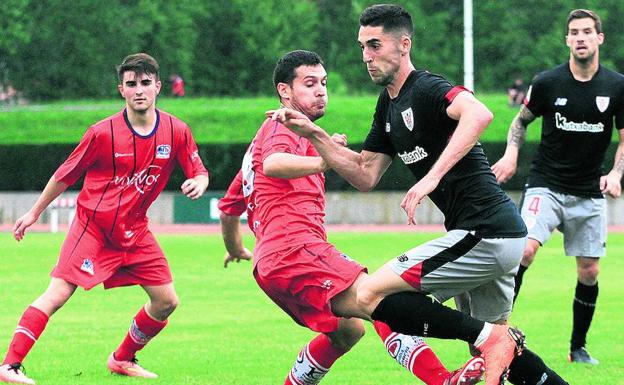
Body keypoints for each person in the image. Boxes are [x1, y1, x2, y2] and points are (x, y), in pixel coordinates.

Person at [271, 5, 569, 385]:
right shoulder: (388, 105)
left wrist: (431, 178)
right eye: (363, 46)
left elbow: (479, 114)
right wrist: (315, 135)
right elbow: (365, 174)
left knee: (371, 294)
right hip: (492, 237)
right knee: (494, 352)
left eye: (375, 45)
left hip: (486, 233)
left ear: (403, 44)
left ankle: (483, 344)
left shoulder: (426, 87)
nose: (367, 56)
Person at [219, 49, 486, 385]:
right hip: (294, 250)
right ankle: (441, 380)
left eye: (324, 83)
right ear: (285, 92)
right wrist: (321, 161)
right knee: (380, 300)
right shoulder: (282, 123)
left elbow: (229, 208)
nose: (320, 90)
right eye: (309, 83)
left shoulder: (265, 145)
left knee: (348, 331)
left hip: (273, 263)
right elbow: (274, 163)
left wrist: (237, 248)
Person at [0, 53, 209, 384]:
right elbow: (65, 175)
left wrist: (199, 181)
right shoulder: (101, 133)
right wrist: (34, 211)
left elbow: (199, 170)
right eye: (131, 84)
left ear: (157, 86)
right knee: (57, 294)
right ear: (121, 90)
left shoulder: (177, 131)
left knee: (166, 301)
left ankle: (122, 359)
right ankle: (9, 365)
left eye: (145, 83)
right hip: (92, 229)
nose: (138, 90)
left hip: (136, 232)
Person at [492, 9, 624, 366]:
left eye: (587, 32)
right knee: (524, 252)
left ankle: (578, 348)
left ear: (600, 38)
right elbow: (520, 122)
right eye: (573, 32)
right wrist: (511, 154)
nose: (580, 37)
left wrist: (616, 174)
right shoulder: (548, 82)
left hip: (588, 191)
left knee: (590, 271)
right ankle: (495, 337)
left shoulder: (617, 86)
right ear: (566, 40)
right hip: (545, 185)